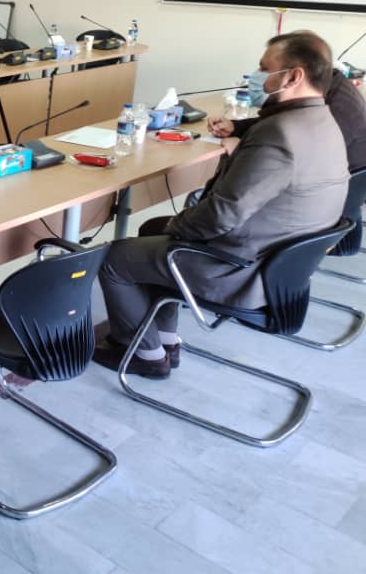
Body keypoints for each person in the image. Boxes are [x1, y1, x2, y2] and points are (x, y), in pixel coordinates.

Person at [94, 31, 349, 378]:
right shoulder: (323, 121)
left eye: (264, 68)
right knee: (152, 230)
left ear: (293, 76)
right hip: (277, 263)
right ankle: (165, 338)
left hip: (241, 270)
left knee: (114, 257)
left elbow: (220, 216)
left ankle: (144, 355)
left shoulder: (279, 134)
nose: (256, 76)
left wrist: (178, 224)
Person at [208, 30, 366, 170]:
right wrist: (235, 127)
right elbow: (280, 124)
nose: (259, 75)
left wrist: (242, 152)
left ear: (295, 76)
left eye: (265, 68)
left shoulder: (339, 109)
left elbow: (300, 159)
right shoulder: (320, 90)